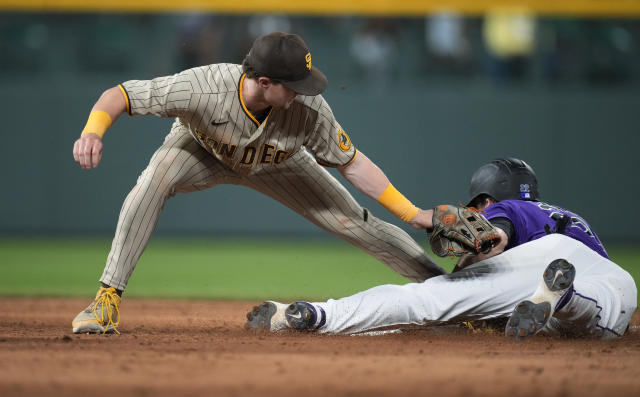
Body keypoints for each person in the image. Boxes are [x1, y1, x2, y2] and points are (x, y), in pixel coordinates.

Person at [71, 32, 446, 334]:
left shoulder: (309, 110)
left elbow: (353, 163)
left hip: (279, 164)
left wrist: (413, 213)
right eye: (295, 84)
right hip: (200, 151)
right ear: (264, 82)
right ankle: (106, 300)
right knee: (154, 178)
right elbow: (119, 95)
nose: (304, 90)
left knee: (355, 222)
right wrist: (93, 131)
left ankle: (450, 294)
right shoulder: (202, 87)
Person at [246, 158, 636, 340]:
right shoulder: (567, 215)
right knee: (594, 325)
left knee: (429, 301)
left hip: (541, 259)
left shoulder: (501, 208)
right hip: (615, 280)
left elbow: (492, 237)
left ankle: (318, 315)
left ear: (484, 200)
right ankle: (565, 297)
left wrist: (473, 248)